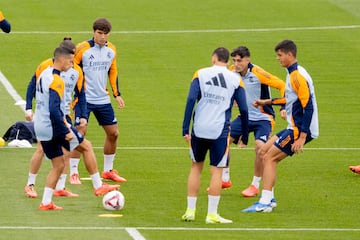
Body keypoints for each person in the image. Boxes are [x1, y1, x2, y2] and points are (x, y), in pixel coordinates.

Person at [34, 46, 120, 210]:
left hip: (40, 127)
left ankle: (46, 202)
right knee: (86, 147)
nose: (72, 65)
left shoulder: (44, 74)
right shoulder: (57, 81)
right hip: (53, 126)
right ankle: (98, 186)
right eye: (71, 61)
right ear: (63, 60)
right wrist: (65, 129)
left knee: (58, 164)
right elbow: (54, 109)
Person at [242, 39, 319, 212]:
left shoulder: (297, 76)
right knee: (263, 152)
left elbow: (308, 107)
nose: (278, 58)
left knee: (270, 158)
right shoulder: (293, 73)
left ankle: (265, 202)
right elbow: (291, 99)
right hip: (294, 126)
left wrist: (302, 136)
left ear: (290, 54)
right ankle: (270, 198)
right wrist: (267, 101)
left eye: (280, 55)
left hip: (299, 129)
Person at [181, 47, 249, 223]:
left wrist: (185, 128)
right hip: (219, 131)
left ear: (213, 58)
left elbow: (190, 100)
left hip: (199, 129)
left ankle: (190, 211)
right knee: (216, 171)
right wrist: (246, 134)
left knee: (196, 167)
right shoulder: (235, 79)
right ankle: (212, 214)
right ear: (228, 61)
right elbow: (243, 108)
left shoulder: (200, 73)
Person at [24, 38, 87, 198]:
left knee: (66, 150)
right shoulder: (46, 67)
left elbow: (80, 93)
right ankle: (30, 184)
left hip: (64, 114)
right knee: (41, 148)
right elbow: (32, 84)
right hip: (48, 115)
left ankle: (60, 186)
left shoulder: (76, 71)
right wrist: (28, 107)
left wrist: (81, 115)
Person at [221, 46, 286, 198]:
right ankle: (225, 178)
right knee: (223, 140)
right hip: (244, 117)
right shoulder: (232, 71)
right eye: (234, 60)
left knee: (260, 147)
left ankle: (255, 185)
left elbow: (282, 85)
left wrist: (283, 106)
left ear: (248, 60)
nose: (236, 64)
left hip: (263, 118)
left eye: (240, 61)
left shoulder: (258, 73)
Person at [72, 17, 126, 183]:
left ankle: (108, 170)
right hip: (84, 99)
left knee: (114, 133)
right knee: (79, 133)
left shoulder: (112, 50)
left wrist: (117, 94)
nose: (103, 37)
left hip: (103, 99)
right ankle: (73, 172)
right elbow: (72, 69)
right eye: (99, 33)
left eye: (105, 34)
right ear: (93, 32)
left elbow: (113, 71)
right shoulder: (82, 49)